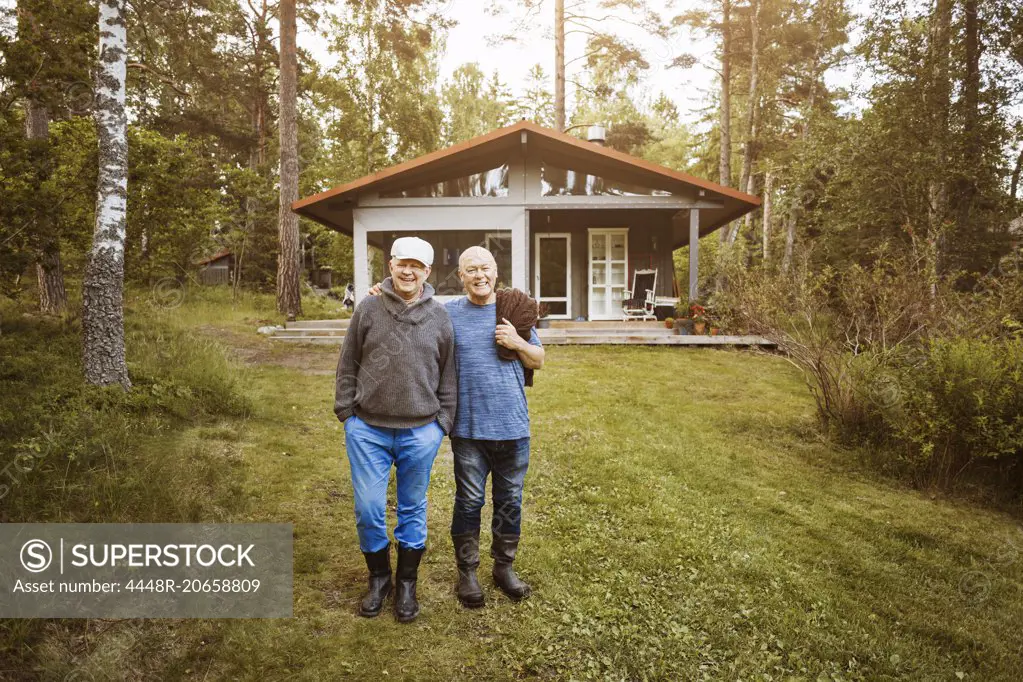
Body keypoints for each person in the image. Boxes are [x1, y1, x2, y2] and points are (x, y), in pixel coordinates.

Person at [333, 236, 456, 623]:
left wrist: (442, 423)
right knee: (368, 508)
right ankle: (379, 578)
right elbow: (348, 360)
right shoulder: (368, 308)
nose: (408, 271)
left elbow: (449, 373)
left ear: (427, 272)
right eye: (403, 263)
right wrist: (346, 413)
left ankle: (406, 584)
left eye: (417, 266)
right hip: (368, 429)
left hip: (421, 430)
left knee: (412, 508)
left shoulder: (439, 316)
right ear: (390, 265)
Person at [446, 246, 544, 608]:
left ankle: (504, 568)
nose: (479, 275)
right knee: (469, 501)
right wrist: (380, 288)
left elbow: (539, 359)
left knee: (510, 502)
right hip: (469, 429)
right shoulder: (449, 313)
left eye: (485, 268)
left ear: (495, 272)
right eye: (470, 269)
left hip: (513, 428)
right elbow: (413, 303)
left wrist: (517, 341)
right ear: (461, 276)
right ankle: (467, 572)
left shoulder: (513, 312)